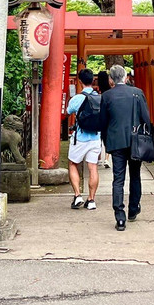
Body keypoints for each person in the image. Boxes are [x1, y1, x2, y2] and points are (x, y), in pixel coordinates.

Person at [100, 64, 150, 231]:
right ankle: (133, 209)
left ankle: (120, 217)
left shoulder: (106, 96)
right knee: (135, 175)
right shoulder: (137, 93)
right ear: (126, 77)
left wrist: (107, 142)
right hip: (135, 141)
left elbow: (103, 122)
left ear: (111, 80)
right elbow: (146, 118)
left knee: (118, 179)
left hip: (116, 142)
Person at [65, 68, 101, 210]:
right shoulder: (100, 98)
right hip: (95, 137)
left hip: (80, 138)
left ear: (79, 81)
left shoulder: (76, 99)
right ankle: (91, 200)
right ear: (93, 80)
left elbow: (67, 113)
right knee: (93, 168)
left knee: (73, 164)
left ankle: (77, 195)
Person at [96, 69, 113, 169]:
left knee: (99, 138)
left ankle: (98, 158)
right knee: (108, 138)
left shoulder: (98, 91)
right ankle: (106, 158)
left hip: (99, 117)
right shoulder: (110, 91)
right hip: (109, 117)